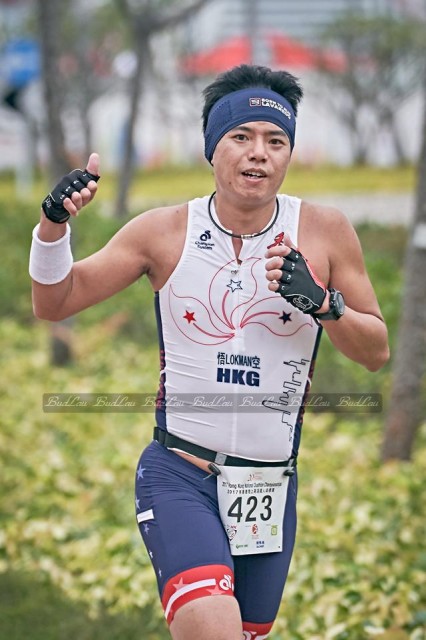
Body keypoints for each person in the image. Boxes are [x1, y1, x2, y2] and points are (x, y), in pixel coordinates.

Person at [29, 64, 389, 640]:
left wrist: (323, 304)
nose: (259, 153)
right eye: (241, 136)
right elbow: (56, 302)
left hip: (269, 488)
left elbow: (375, 351)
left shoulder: (324, 232)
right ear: (211, 148)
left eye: (276, 141)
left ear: (289, 154)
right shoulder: (163, 232)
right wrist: (52, 228)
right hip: (181, 474)